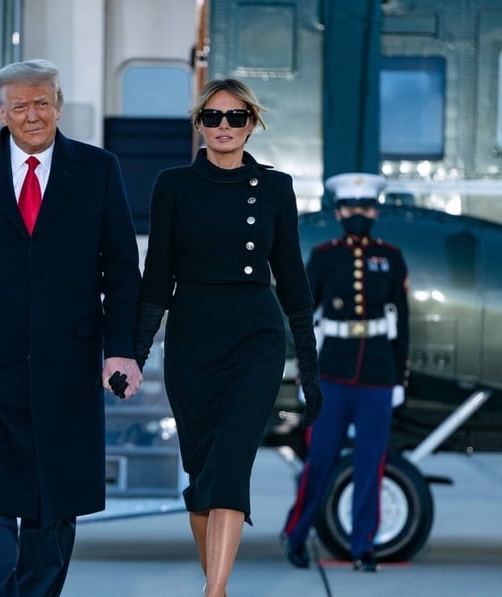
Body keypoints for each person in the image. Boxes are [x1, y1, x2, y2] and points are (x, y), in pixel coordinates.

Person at [0, 58, 143, 596]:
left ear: (58, 105)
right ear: (0, 111)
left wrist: (121, 350)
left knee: (55, 502)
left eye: (42, 102)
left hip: (69, 362)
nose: (32, 115)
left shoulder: (98, 169)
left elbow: (122, 268)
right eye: (20, 105)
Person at [133, 78, 324, 597]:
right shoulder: (172, 185)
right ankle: (214, 585)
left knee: (231, 465)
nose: (223, 127)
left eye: (235, 117)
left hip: (254, 338)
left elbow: (293, 280)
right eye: (213, 117)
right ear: (199, 123)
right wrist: (136, 355)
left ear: (251, 124)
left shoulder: (276, 187)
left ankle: (214, 592)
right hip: (193, 338)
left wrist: (309, 368)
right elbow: (156, 280)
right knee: (201, 479)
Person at [279, 172, 410, 573]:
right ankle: (296, 534)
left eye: (366, 207)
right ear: (338, 212)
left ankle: (362, 546)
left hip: (376, 375)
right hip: (332, 374)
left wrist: (399, 378)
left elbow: (402, 323)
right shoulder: (324, 256)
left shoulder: (390, 257)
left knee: (371, 462)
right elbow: (301, 317)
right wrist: (306, 373)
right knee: (320, 459)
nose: (359, 214)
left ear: (375, 211)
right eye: (351, 208)